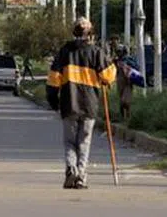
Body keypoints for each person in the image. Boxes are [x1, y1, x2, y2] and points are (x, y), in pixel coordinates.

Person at [47, 17, 116, 190]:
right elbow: (108, 76)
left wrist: (53, 101)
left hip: (69, 103)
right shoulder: (96, 52)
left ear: (74, 32)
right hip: (89, 106)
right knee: (83, 143)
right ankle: (81, 177)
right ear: (90, 34)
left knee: (70, 142)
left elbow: (53, 79)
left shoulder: (64, 52)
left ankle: (71, 169)